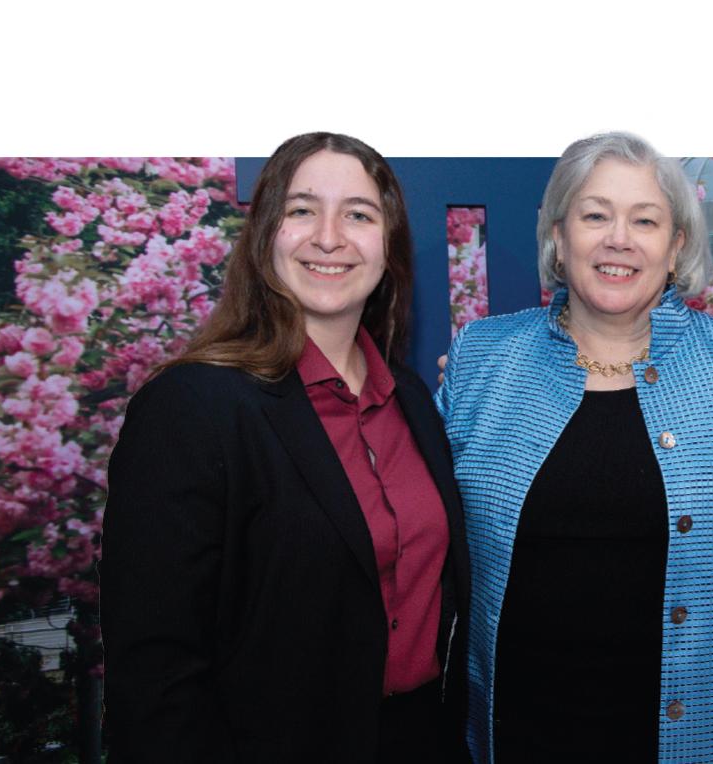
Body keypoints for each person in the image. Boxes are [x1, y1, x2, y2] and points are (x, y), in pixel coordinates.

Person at [435, 132, 713, 764]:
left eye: (644, 220)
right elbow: (426, 544)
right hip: (517, 736)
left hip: (699, 744)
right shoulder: (482, 359)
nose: (618, 238)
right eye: (595, 215)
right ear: (559, 238)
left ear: (676, 246)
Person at [100, 132, 470, 763]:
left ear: (389, 247)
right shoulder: (190, 410)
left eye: (358, 214)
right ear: (266, 234)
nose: (330, 236)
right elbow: (155, 677)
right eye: (302, 210)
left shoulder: (412, 399)